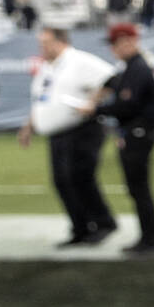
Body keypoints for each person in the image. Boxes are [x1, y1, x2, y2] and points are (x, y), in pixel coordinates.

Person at [19, 27, 118, 247]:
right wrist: (29, 126)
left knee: (80, 178)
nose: (41, 47)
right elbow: (41, 99)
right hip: (57, 133)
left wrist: (92, 103)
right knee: (62, 181)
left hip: (81, 130)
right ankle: (80, 227)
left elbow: (111, 80)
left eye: (45, 42)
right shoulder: (47, 67)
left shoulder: (79, 60)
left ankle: (103, 223)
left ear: (60, 41)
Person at [90, 24, 154, 257]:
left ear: (128, 41)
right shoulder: (130, 68)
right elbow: (114, 85)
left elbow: (127, 104)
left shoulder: (138, 68)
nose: (113, 50)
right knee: (137, 189)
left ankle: (150, 241)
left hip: (137, 134)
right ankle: (147, 238)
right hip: (133, 132)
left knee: (139, 188)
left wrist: (97, 110)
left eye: (115, 44)